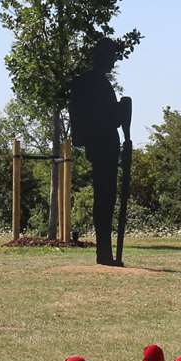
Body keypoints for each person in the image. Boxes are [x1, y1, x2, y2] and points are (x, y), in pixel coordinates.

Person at [68, 39, 130, 266]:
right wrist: (121, 112)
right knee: (105, 198)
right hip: (104, 144)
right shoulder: (96, 84)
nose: (114, 61)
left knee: (105, 198)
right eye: (112, 56)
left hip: (100, 144)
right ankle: (104, 253)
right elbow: (106, 118)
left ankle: (105, 253)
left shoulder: (89, 83)